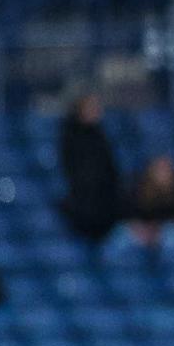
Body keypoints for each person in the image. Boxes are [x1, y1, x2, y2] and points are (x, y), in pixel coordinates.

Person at [58, 93, 122, 242]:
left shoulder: (102, 136)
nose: (96, 111)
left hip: (105, 205)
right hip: (81, 206)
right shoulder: (70, 137)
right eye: (91, 107)